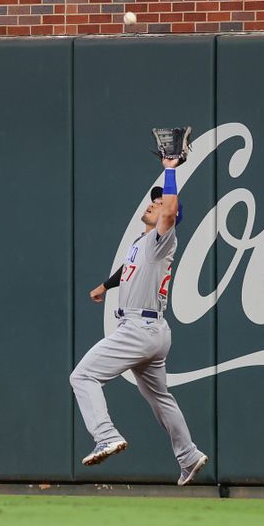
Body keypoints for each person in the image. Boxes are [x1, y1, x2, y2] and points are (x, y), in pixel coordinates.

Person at [69, 157, 208, 486]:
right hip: (155, 332)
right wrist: (105, 285)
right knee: (160, 398)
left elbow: (171, 213)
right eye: (154, 200)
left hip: (138, 329)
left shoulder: (163, 240)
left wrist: (170, 169)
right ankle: (188, 455)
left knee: (83, 376)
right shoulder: (141, 244)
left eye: (159, 203)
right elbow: (128, 270)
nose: (154, 204)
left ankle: (106, 435)